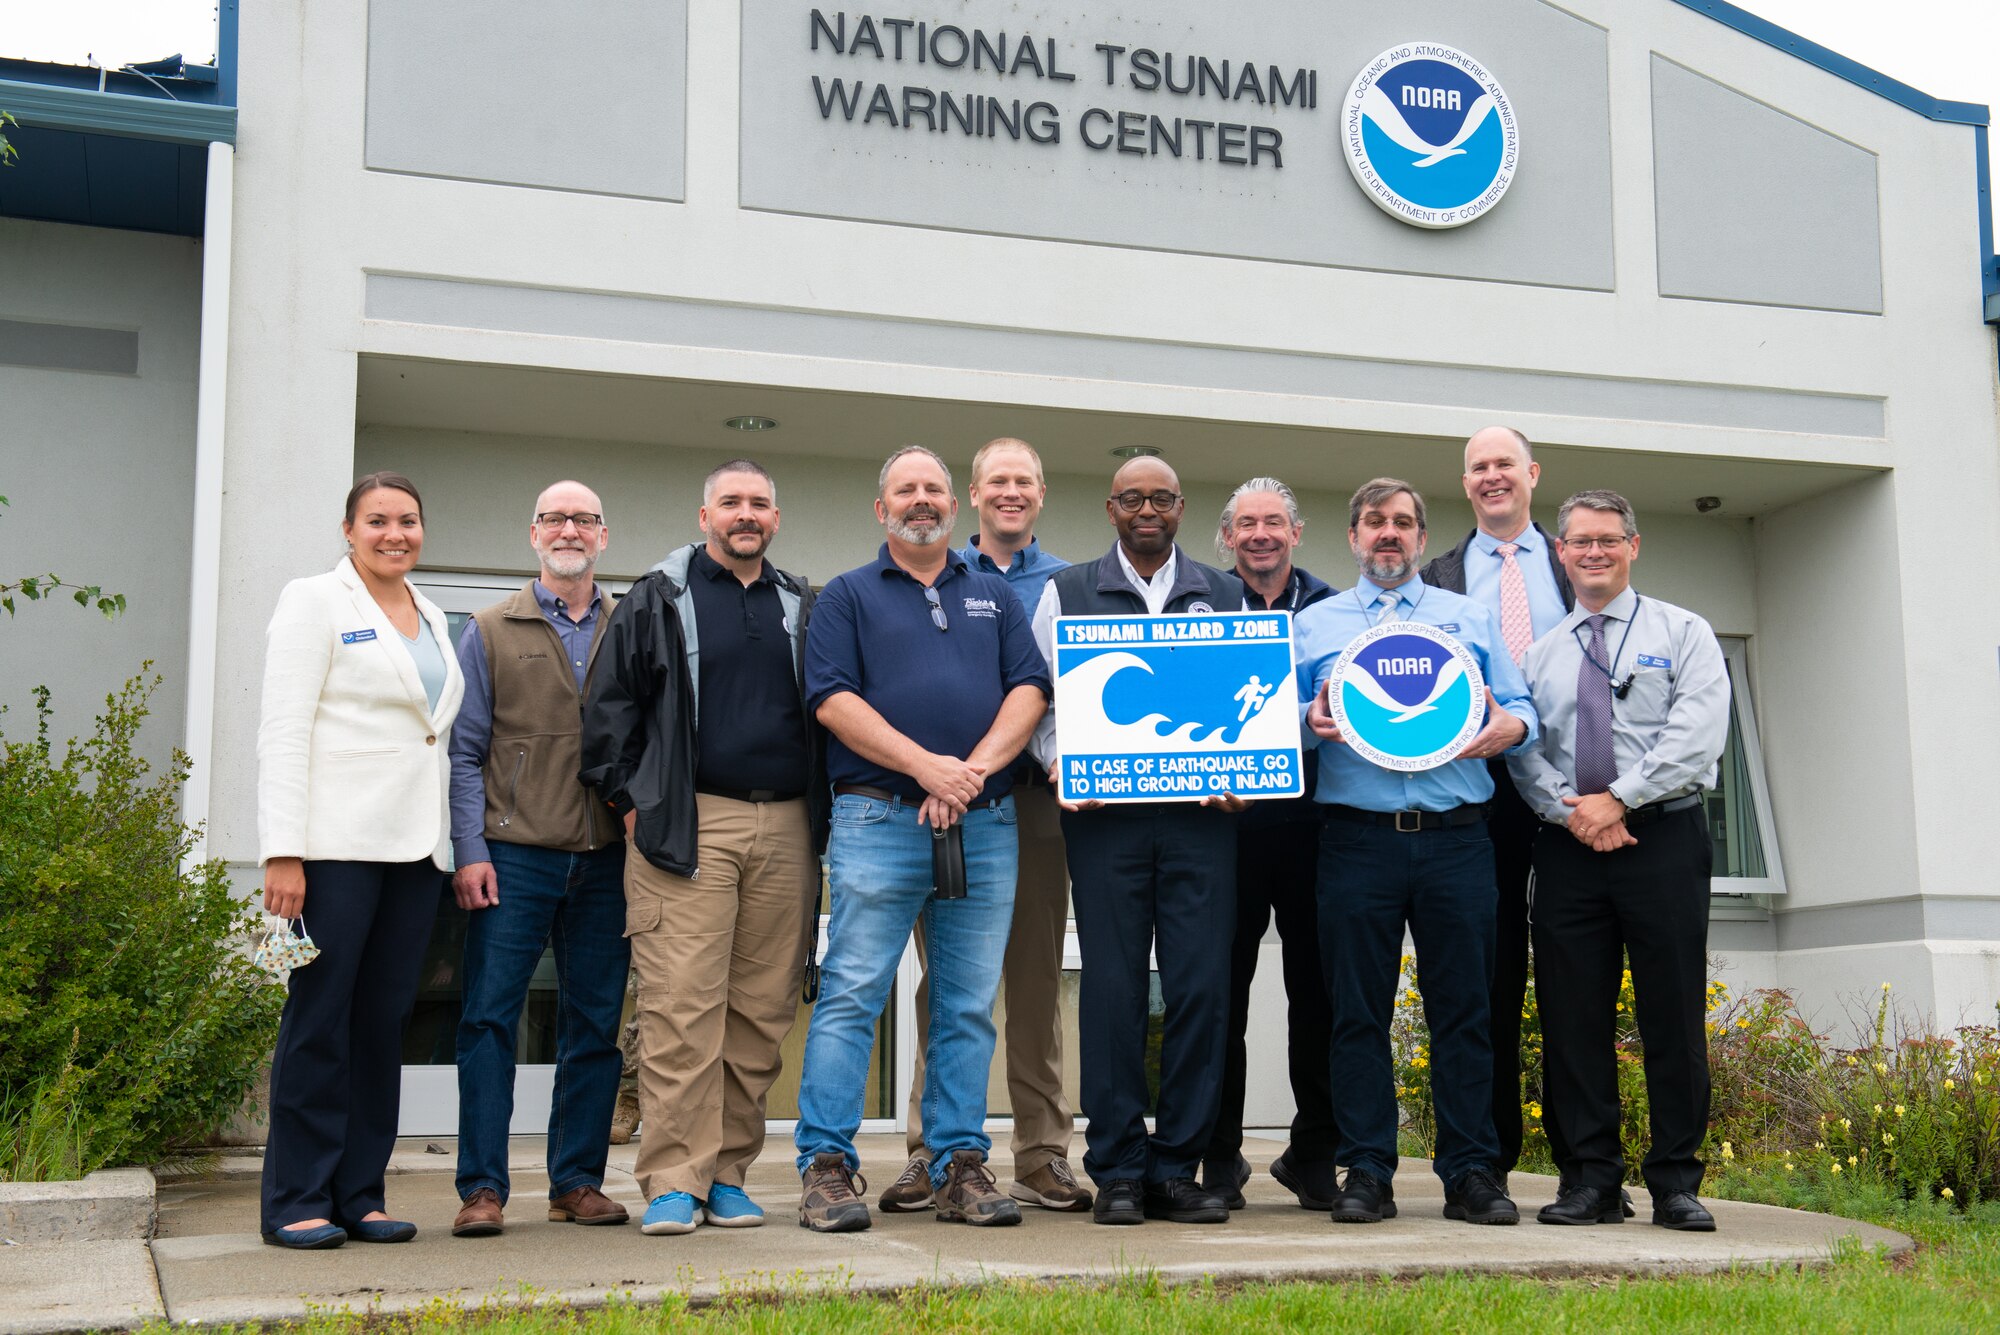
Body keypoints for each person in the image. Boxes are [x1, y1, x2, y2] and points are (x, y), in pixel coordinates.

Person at [794, 445, 1049, 1232]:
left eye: (934, 489)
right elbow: (832, 699)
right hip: (880, 820)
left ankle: (959, 1165)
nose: (922, 500)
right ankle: (826, 1167)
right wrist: (926, 770)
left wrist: (967, 773)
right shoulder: (846, 596)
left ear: (954, 505)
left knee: (967, 1003)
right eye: (906, 490)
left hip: (986, 820)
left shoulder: (995, 597)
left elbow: (1030, 689)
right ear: (883, 509)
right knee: (853, 993)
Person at [581, 459, 828, 1235]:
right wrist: (629, 804)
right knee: (682, 1008)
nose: (745, 513)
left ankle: (727, 1173)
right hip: (689, 824)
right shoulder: (658, 598)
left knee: (759, 1013)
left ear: (776, 519)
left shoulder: (803, 604)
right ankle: (672, 1180)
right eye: (731, 502)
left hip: (787, 826)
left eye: (759, 502)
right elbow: (607, 709)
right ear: (704, 514)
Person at [1295, 478, 1537, 1227]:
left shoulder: (1469, 618)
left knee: (1465, 1011)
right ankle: (1366, 1167)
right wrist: (1308, 719)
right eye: (1375, 522)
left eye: (1402, 522)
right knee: (1355, 1014)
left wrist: (1511, 729)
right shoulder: (1315, 624)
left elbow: (1521, 705)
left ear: (1423, 539)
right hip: (1356, 842)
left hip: (1459, 841)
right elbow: (1278, 726)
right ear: (1354, 537)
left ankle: (1471, 1171)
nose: (1388, 534)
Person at [1029, 455, 1248, 1227]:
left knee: (1199, 990)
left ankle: (1175, 1166)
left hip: (1200, 820)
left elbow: (1249, 697)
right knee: (1114, 989)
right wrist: (1064, 765)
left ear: (1182, 508)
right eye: (1132, 498)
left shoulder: (1224, 592)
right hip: (1106, 821)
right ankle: (1118, 1167)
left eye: (1160, 498)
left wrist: (1243, 768)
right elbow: (1040, 698)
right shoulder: (1070, 591)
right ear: (1111, 508)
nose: (1146, 509)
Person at [1507, 490, 1730, 1231]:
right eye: (1579, 542)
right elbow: (1525, 752)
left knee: (1671, 1012)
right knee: (1572, 1020)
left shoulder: (1684, 631)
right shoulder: (1540, 653)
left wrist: (1620, 799)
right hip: (1570, 847)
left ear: (1633, 546)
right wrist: (1576, 811)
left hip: (1662, 840)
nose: (1594, 552)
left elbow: (1695, 734)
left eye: (1608, 539)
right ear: (1561, 553)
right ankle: (1590, 1180)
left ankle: (1675, 1181)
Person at [882, 438, 1091, 1215]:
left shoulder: (1074, 583)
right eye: (996, 480)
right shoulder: (940, 570)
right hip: (939, 802)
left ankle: (1042, 1153)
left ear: (1041, 493)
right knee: (948, 984)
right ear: (973, 493)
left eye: (1023, 481)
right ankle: (929, 1151)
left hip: (1035, 801)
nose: (1010, 492)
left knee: (1035, 978)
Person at [255, 471, 464, 1250]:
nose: (394, 534)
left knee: (382, 1024)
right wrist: (283, 850)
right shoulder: (314, 600)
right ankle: (296, 1197)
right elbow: (283, 727)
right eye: (377, 520)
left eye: (408, 520)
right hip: (332, 850)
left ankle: (359, 1192)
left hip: (417, 853)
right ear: (349, 529)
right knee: (320, 1022)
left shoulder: (435, 614)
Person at [447, 482, 629, 1237]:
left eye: (584, 517)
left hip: (609, 860)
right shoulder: (490, 628)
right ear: (533, 534)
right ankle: (483, 1188)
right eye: (556, 517)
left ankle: (576, 1181)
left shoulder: (633, 626)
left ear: (603, 536)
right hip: (513, 857)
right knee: (489, 1018)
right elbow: (463, 752)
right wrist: (469, 848)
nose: (569, 528)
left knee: (595, 1023)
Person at [1419, 426, 1578, 1193]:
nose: (1491, 477)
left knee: (1574, 974)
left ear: (1532, 474)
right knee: (1487, 977)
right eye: (1478, 467)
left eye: (1504, 465)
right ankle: (1490, 1161)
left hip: (1578, 791)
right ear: (1466, 481)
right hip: (1478, 796)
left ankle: (1588, 1166)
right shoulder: (1437, 578)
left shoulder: (1574, 561)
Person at [1203, 477, 1341, 1212]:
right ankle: (1219, 1156)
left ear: (1295, 532)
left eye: (1275, 522)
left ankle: (1315, 1152)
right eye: (1246, 523)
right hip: (1225, 826)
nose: (1260, 534)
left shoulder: (1333, 607)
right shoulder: (1200, 604)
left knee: (1317, 994)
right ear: (1227, 537)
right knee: (1217, 992)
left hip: (1316, 824)